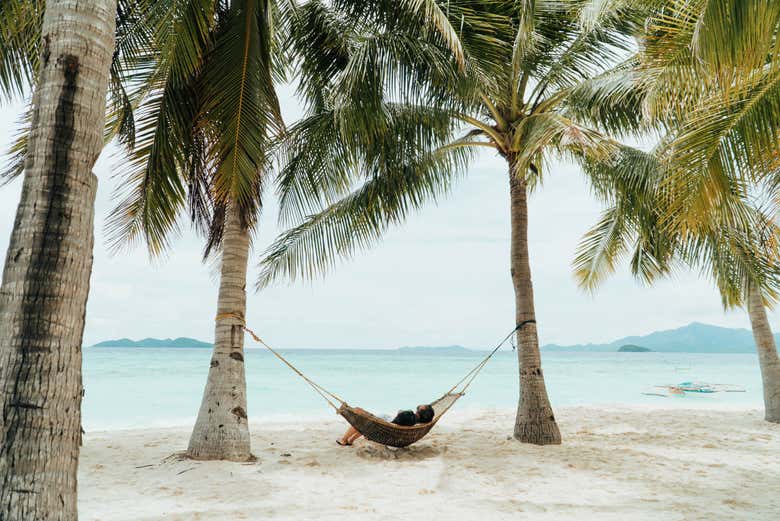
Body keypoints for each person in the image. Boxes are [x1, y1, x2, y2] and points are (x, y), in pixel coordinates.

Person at [337, 404, 435, 446]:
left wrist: (400, 412)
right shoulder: (415, 421)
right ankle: (351, 440)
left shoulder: (408, 414)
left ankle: (344, 440)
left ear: (422, 410)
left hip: (385, 423)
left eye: (424, 406)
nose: (422, 405)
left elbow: (399, 415)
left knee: (361, 420)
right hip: (387, 424)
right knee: (365, 424)